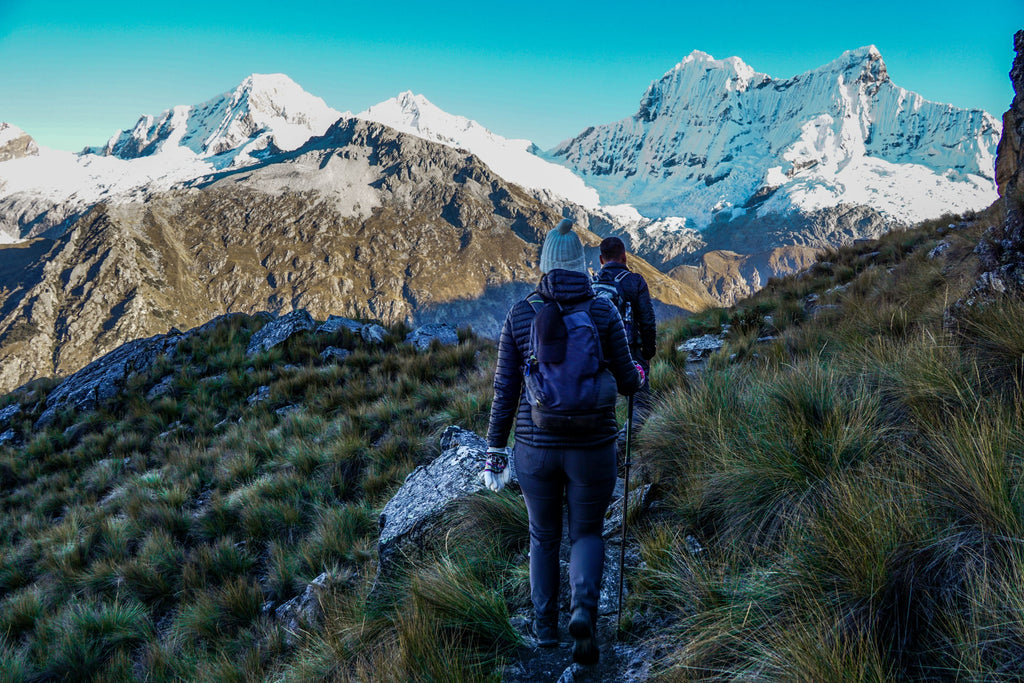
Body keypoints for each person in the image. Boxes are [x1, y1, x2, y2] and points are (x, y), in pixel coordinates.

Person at [481, 217, 643, 666]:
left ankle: (545, 630)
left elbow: (505, 389)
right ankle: (584, 613)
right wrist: (639, 374)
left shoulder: (520, 314)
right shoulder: (603, 311)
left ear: (546, 264)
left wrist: (495, 450)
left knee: (543, 536)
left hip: (536, 448)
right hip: (593, 446)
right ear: (582, 265)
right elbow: (630, 382)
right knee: (587, 532)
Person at [594, 236, 657, 426]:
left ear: (601, 259)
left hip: (599, 354)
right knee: (642, 404)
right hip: (631, 352)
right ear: (624, 257)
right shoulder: (635, 281)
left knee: (604, 406)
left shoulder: (591, 285)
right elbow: (647, 320)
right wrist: (648, 352)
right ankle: (623, 445)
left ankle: (609, 451)